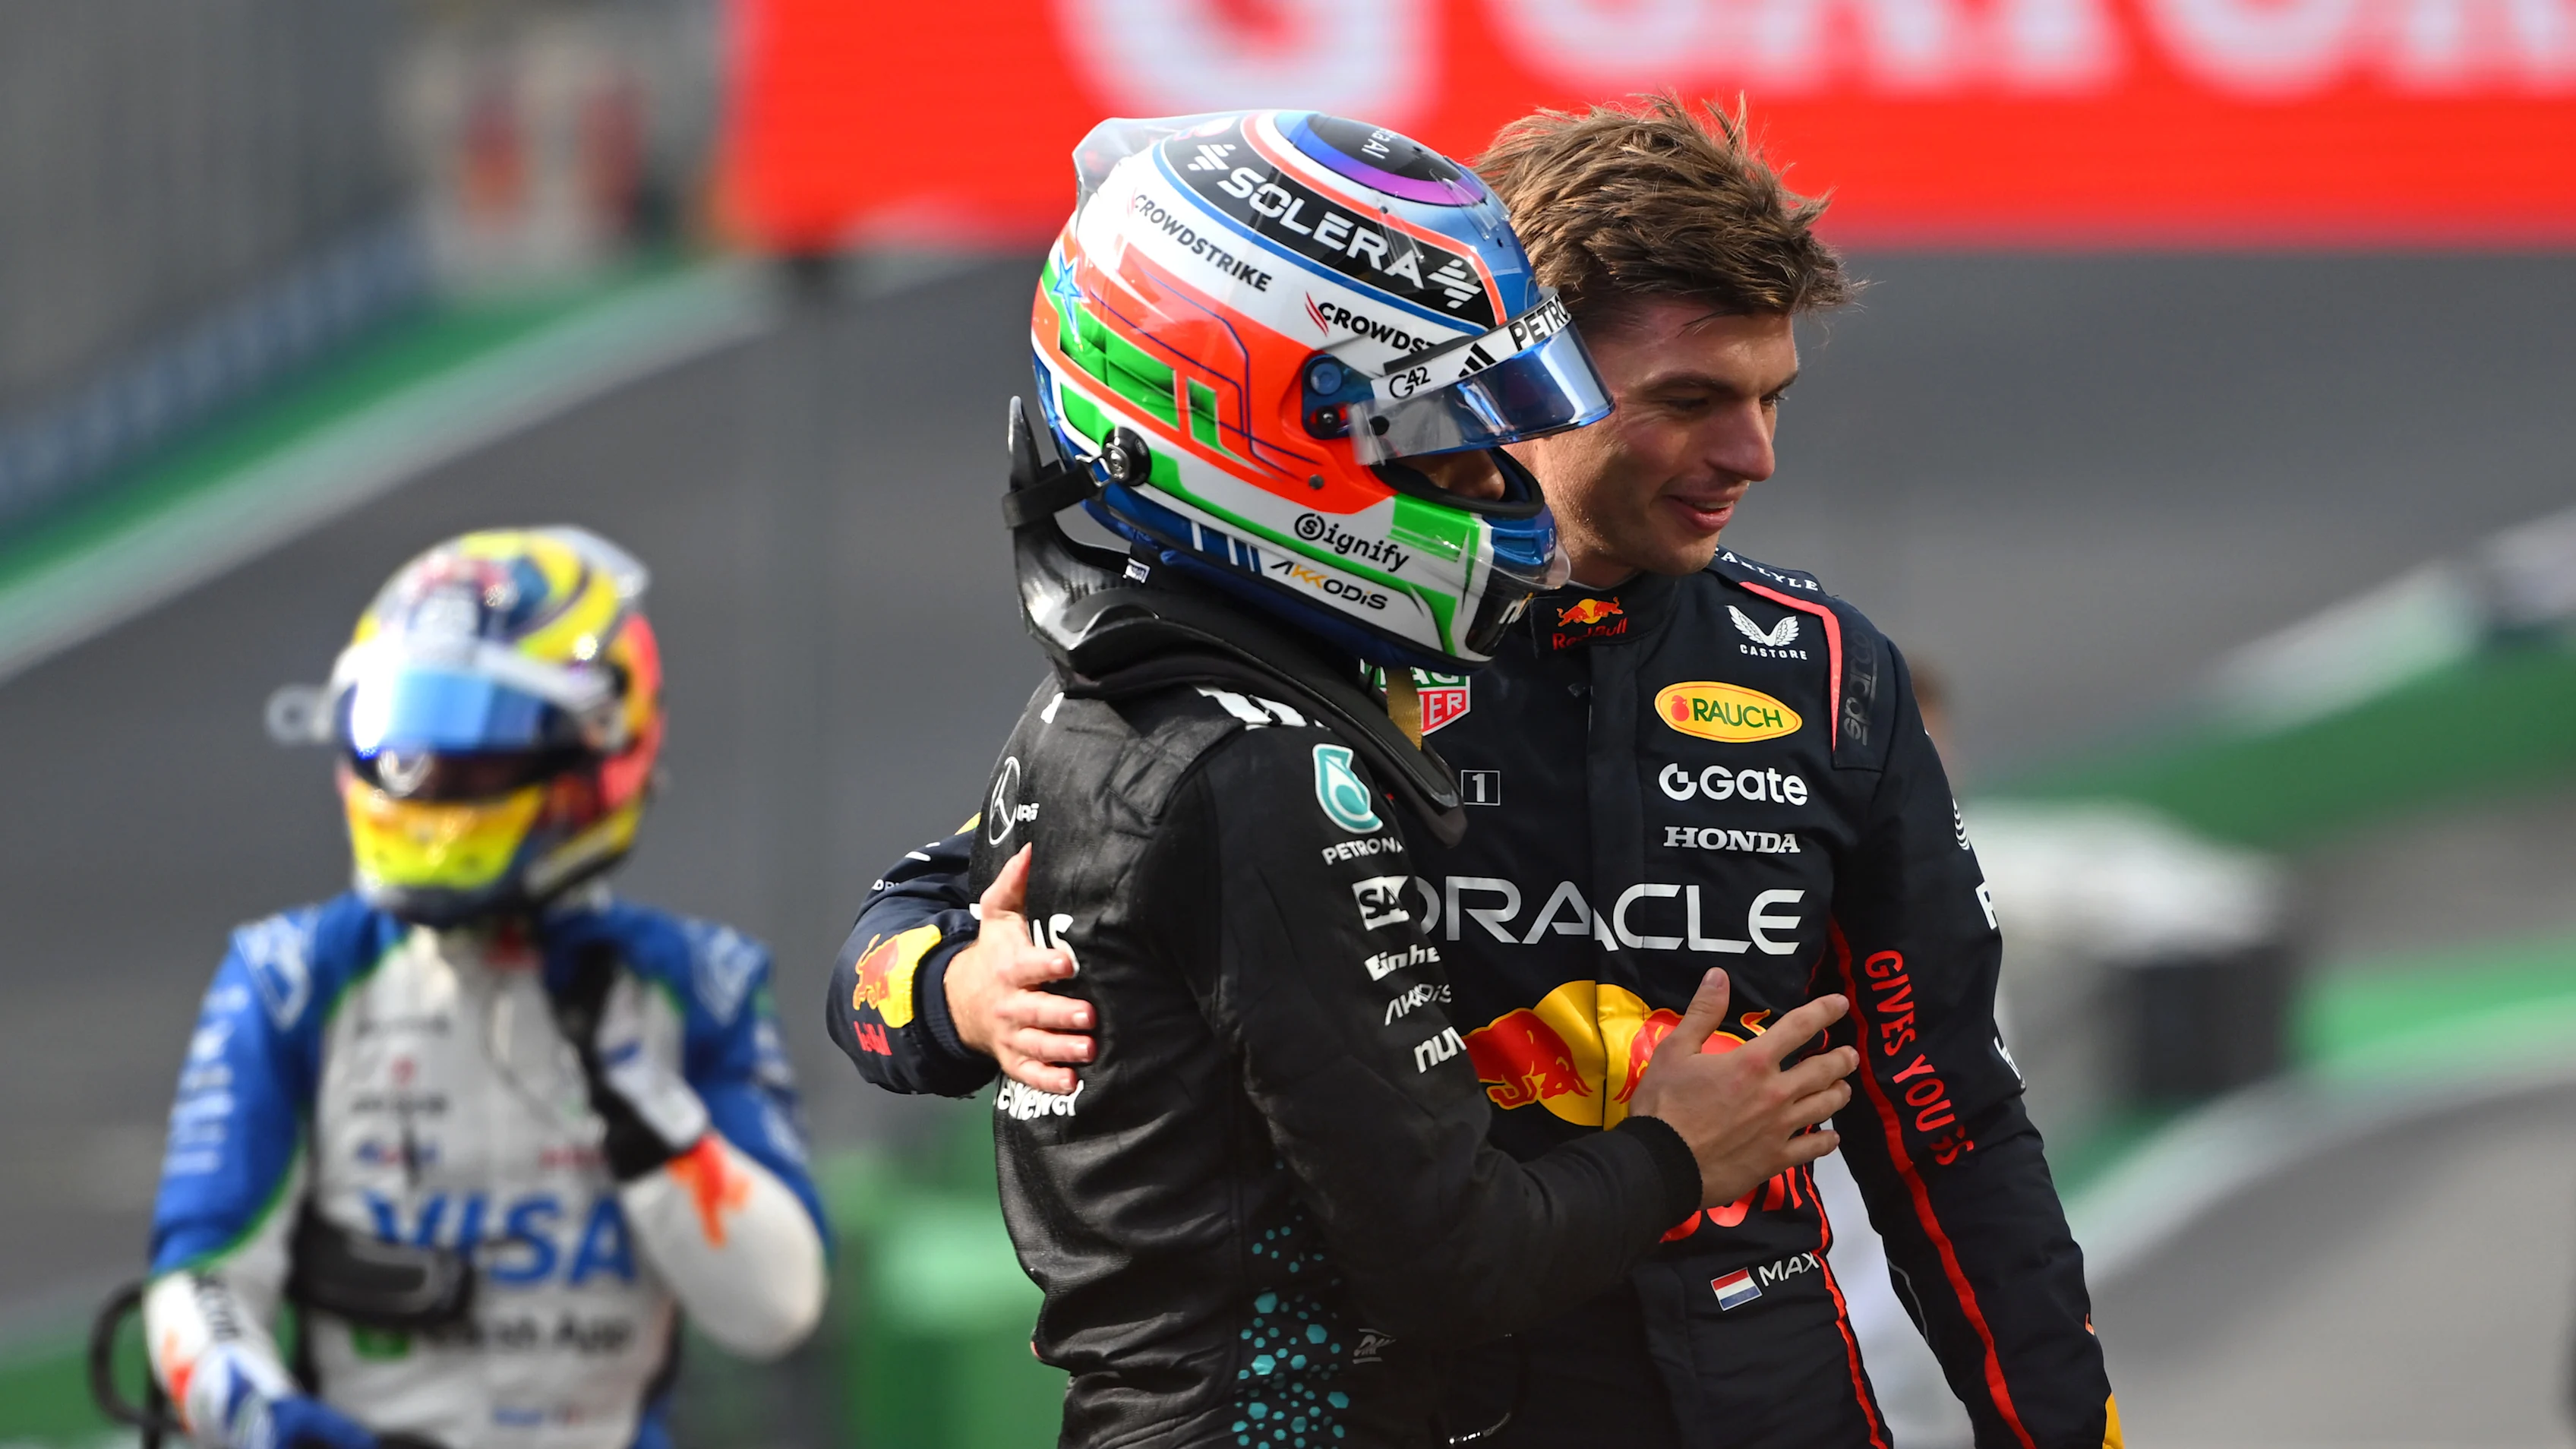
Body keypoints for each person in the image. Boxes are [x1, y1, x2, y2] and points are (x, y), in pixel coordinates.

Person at [840, 96, 2123, 1447]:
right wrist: (952, 992)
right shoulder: (1303, 648)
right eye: (1690, 401)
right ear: (1518, 367)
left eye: (1770, 398)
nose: (1752, 453)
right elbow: (918, 924)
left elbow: (1953, 1121)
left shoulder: (1825, 669)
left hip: (1771, 1395)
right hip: (1445, 1391)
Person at [145, 528, 828, 1449]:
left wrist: (646, 1115)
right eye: (406, 736)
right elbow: (202, 1282)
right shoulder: (288, 979)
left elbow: (778, 1308)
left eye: (480, 748)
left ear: (597, 750)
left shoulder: (699, 983)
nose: (427, 777)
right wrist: (282, 1432)